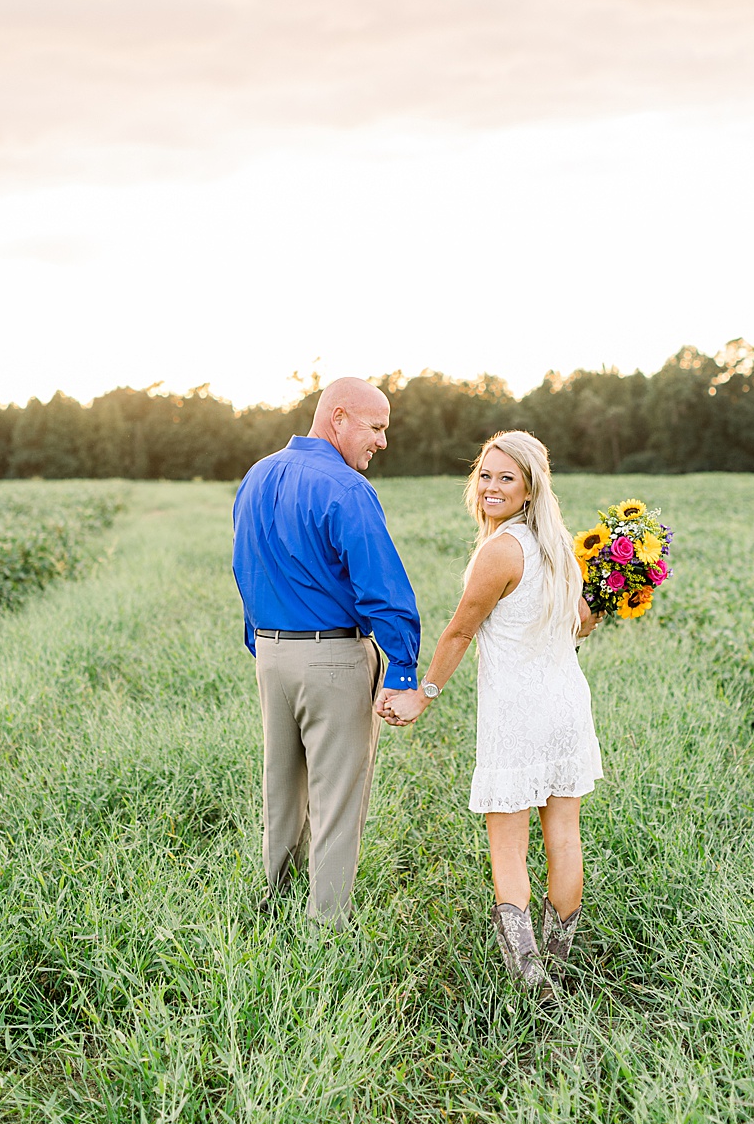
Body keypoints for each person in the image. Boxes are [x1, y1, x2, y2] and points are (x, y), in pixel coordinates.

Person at [380, 431, 602, 998]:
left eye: (507, 478)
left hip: (518, 713)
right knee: (564, 837)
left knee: (509, 845)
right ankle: (556, 964)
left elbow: (460, 631)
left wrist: (422, 694)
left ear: (530, 487)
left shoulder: (501, 550)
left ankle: (530, 985)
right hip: (567, 705)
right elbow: (578, 623)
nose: (491, 487)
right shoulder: (559, 547)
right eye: (485, 475)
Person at [232, 376, 421, 926]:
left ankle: (275, 906)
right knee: (337, 798)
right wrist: (402, 667)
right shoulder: (347, 488)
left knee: (281, 789)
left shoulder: (256, 475)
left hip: (271, 656)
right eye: (376, 427)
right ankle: (327, 927)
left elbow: (245, 566)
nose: (383, 441)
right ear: (338, 417)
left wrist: (260, 642)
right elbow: (381, 587)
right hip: (334, 657)